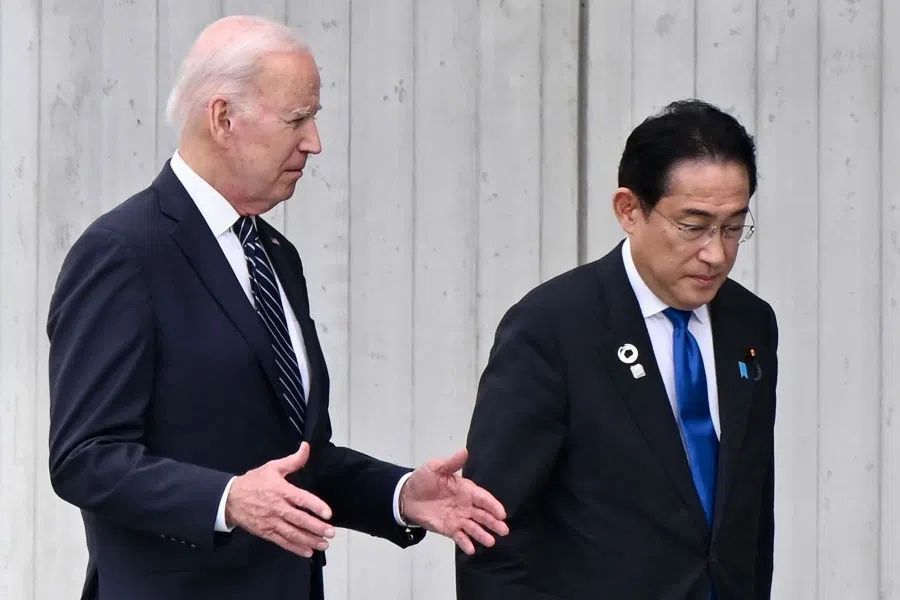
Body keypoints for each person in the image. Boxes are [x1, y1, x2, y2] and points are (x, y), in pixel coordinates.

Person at [47, 15, 507, 600]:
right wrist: (228, 500)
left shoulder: (274, 254)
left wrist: (400, 495)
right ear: (222, 119)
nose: (314, 142)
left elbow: (294, 460)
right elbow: (86, 458)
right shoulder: (122, 252)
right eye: (297, 119)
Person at [456, 99, 777, 600]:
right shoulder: (553, 327)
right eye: (693, 226)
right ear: (630, 209)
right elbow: (492, 530)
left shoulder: (750, 324)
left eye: (734, 227)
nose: (716, 253)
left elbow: (750, 508)